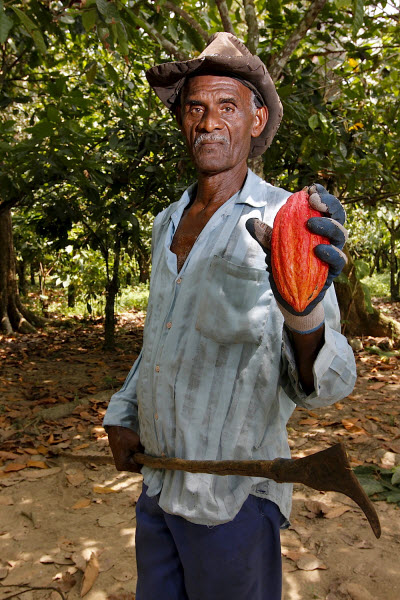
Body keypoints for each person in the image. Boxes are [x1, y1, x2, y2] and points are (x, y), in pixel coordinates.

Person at [103, 32, 356, 600]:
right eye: (196, 107)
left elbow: (327, 388)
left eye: (226, 106)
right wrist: (124, 410)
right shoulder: (167, 221)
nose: (209, 122)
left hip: (233, 501)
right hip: (160, 486)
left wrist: (304, 312)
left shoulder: (289, 220)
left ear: (256, 118)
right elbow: (162, 335)